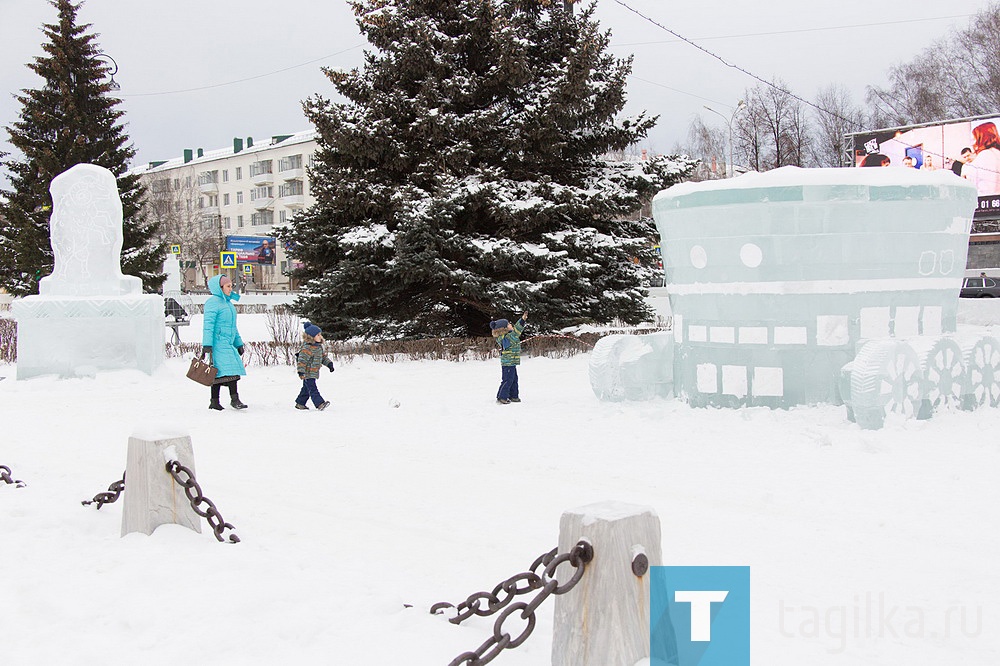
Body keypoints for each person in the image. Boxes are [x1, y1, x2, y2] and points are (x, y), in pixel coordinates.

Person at [202, 274, 247, 410]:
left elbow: (233, 327)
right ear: (219, 287)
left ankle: (228, 400)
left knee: (226, 371)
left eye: (231, 286)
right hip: (218, 343)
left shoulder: (228, 303)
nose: (230, 289)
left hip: (228, 343)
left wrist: (238, 343)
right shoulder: (213, 303)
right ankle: (220, 401)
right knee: (219, 372)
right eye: (228, 286)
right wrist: (207, 345)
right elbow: (208, 325)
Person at [490, 312, 528, 404]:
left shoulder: (509, 335)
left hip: (512, 362)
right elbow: (517, 331)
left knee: (514, 378)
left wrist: (523, 319)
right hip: (508, 363)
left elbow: (515, 332)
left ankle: (513, 396)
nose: (511, 324)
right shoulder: (506, 337)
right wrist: (522, 320)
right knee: (507, 379)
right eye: (508, 324)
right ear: (504, 328)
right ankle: (502, 397)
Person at [295, 322, 334, 410]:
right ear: (311, 337)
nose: (320, 336)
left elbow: (323, 357)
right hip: (308, 373)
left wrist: (329, 364)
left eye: (320, 334)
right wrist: (301, 371)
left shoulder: (318, 347)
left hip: (314, 372)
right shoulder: (307, 348)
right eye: (318, 335)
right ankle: (319, 403)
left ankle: (300, 403)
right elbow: (301, 361)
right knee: (312, 389)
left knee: (306, 389)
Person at [962, 122, 1000, 197]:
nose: (972, 144)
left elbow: (987, 187)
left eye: (974, 139)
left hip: (986, 203)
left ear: (983, 138)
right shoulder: (996, 153)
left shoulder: (986, 155)